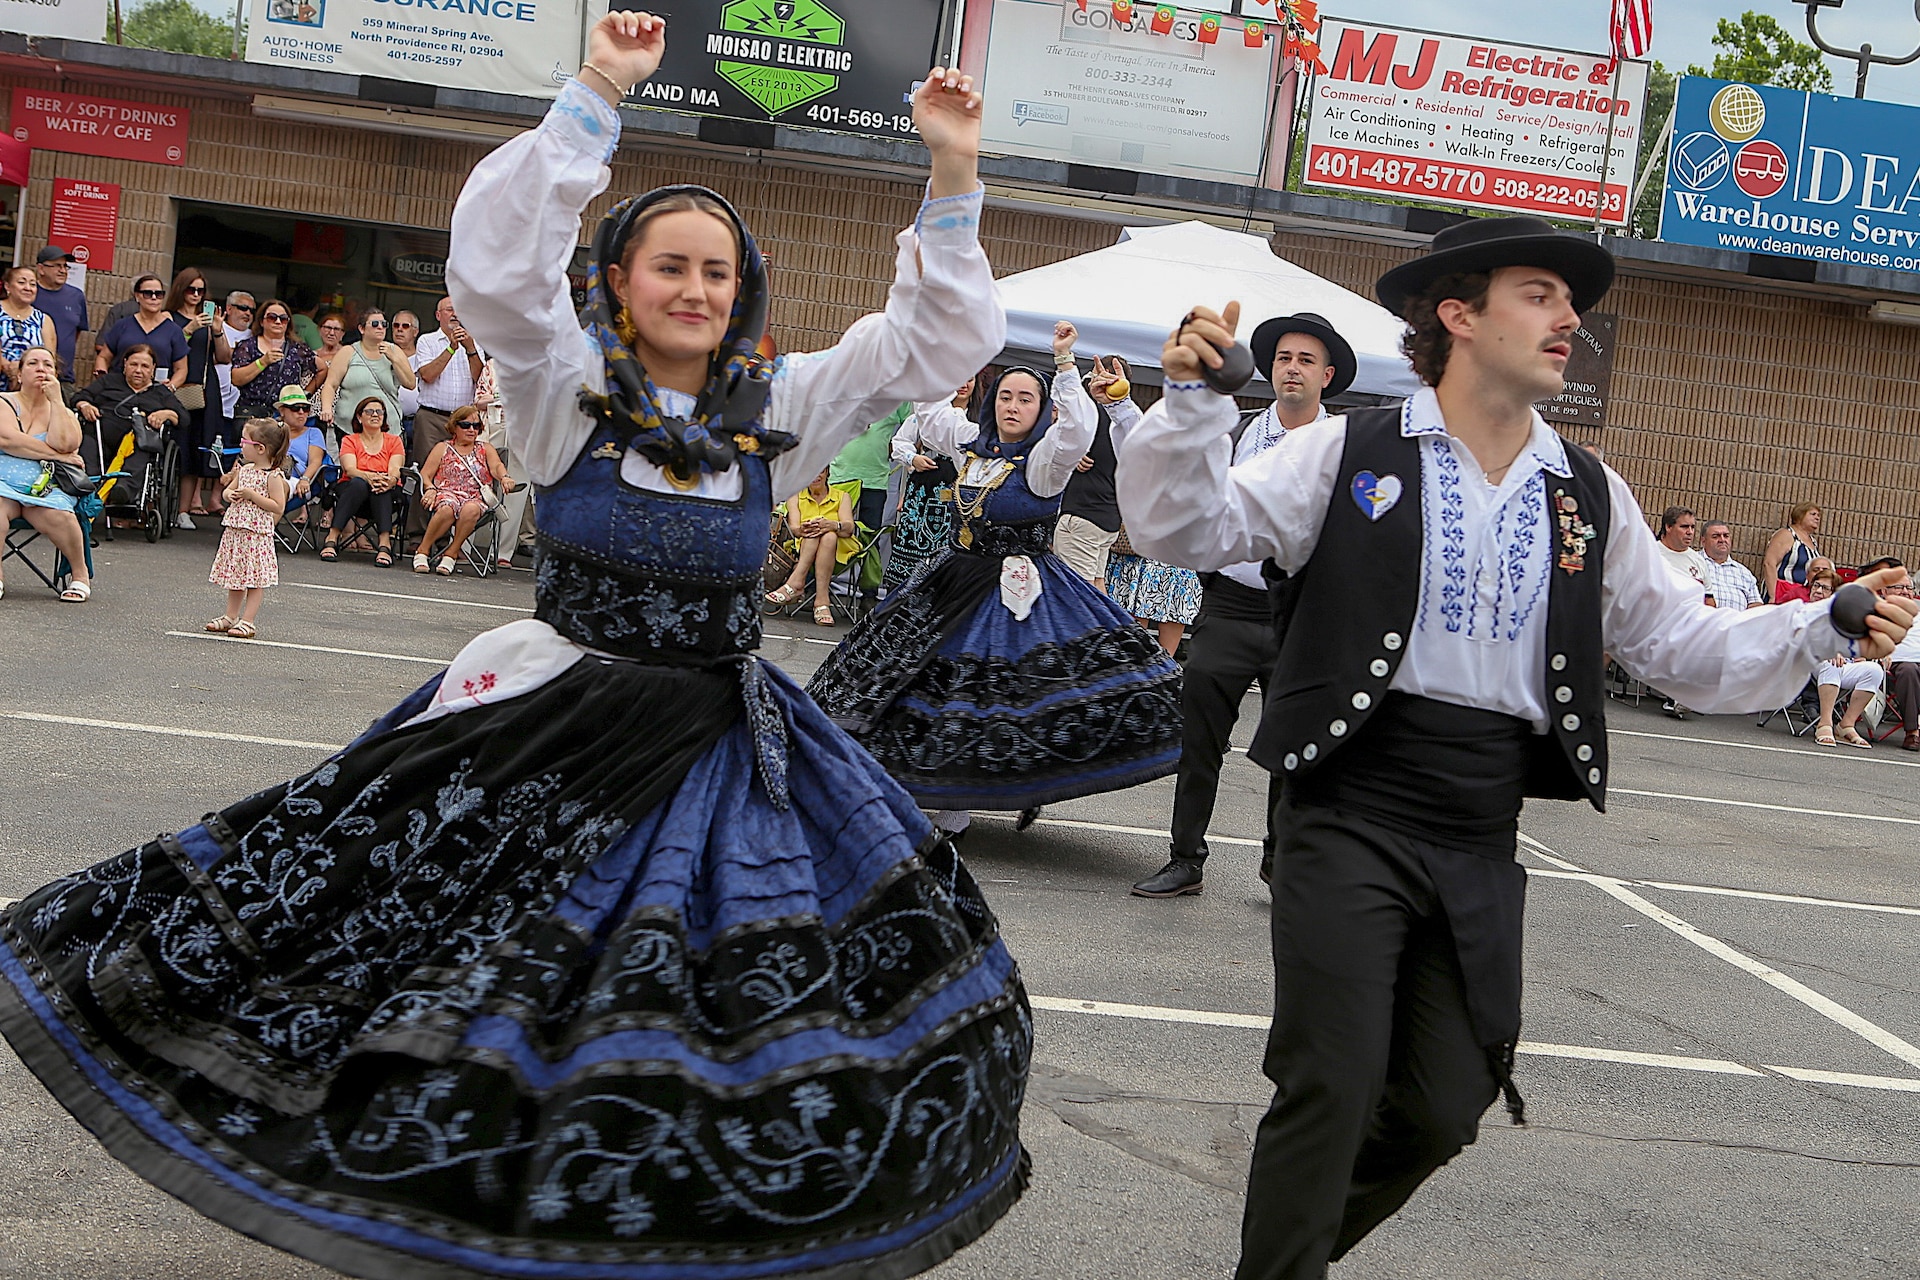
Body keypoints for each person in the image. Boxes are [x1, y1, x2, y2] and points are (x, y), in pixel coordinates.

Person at [0, 19, 1028, 1279]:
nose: (697, 290)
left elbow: (932, 347)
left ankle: (649, 1217)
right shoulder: (559, 384)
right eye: (670, 267)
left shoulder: (787, 410)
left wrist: (954, 170)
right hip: (552, 734)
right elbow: (496, 276)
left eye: (718, 271)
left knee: (707, 1004)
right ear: (620, 280)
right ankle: (470, 1210)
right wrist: (595, 93)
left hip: (723, 748)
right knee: (468, 976)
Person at [1113, 215, 1919, 1280]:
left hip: (1480, 825)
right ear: (1459, 312)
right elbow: (1186, 532)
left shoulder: (1587, 491)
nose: (1569, 317)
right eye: (1540, 293)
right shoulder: (1346, 451)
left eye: (1568, 301)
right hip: (1349, 804)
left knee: (1447, 1102)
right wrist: (1193, 403)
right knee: (1334, 1076)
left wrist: (1823, 620)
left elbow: (1681, 645)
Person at [808, 320, 1184, 841]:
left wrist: (1066, 367)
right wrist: (942, 352)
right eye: (1005, 395)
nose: (1012, 405)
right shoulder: (972, 445)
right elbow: (932, 415)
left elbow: (1076, 432)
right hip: (951, 577)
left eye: (1026, 399)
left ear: (1041, 409)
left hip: (1017, 591)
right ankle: (916, 785)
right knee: (913, 675)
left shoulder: (1045, 463)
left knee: (991, 689)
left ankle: (961, 803)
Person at [1132, 311, 1357, 900]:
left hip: (1300, 614)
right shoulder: (1236, 432)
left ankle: (1281, 864)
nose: (1292, 369)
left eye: (1306, 360)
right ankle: (1185, 859)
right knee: (1200, 741)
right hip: (1229, 607)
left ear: (1327, 377)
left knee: (1296, 750)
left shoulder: (1345, 450)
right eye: (1284, 358)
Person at [0, 346, 92, 601]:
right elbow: (8, 440)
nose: (41, 368)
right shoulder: (3, 402)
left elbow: (68, 444)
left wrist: (58, 401)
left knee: (60, 516)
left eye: (48, 365)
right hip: (2, 481)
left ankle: (80, 575)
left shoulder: (59, 409)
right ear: (19, 374)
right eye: (33, 363)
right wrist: (58, 456)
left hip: (43, 484)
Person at [1052, 356, 1137, 592]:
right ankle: (1108, 630)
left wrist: (1071, 454)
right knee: (1097, 586)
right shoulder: (1124, 423)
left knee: (1079, 593)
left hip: (1082, 515)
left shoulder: (1091, 418)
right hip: (1108, 518)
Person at [881, 376, 971, 594]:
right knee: (912, 545)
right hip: (922, 490)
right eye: (960, 378)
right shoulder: (924, 417)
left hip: (958, 493)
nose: (964, 384)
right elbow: (899, 443)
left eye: (971, 379)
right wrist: (913, 458)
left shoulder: (978, 420)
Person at [204, 417, 289, 639]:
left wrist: (253, 496)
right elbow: (227, 491)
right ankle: (230, 615)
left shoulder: (272, 476)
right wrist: (229, 494)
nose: (241, 445)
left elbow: (278, 505)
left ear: (260, 449)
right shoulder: (244, 470)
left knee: (254, 579)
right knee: (236, 576)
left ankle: (248, 620)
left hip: (256, 535)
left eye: (244, 442)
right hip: (237, 531)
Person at [73, 345, 184, 508]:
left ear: (153, 369)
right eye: (133, 364)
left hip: (138, 442)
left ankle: (122, 490)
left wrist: (166, 413)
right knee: (88, 448)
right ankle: (88, 489)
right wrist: (84, 405)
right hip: (100, 435)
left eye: (145, 366)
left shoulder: (160, 392)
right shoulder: (109, 381)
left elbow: (183, 418)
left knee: (144, 452)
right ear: (125, 364)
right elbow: (80, 397)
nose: (138, 370)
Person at [415, 404, 514, 575]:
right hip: (447, 493)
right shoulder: (443, 447)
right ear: (454, 427)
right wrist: (430, 489)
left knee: (471, 509)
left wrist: (504, 477)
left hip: (475, 496)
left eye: (476, 426)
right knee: (447, 508)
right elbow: (425, 473)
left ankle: (452, 553)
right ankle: (423, 550)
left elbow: (496, 466)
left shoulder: (485, 449)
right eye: (466, 425)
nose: (472, 430)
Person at [825, 401, 907, 607]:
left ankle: (869, 593)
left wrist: (896, 446)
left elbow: (913, 428)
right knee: (826, 532)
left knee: (871, 537)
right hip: (839, 475)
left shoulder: (897, 394)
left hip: (875, 479)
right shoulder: (849, 387)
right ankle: (816, 588)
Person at [165, 267, 228, 529]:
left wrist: (217, 330)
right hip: (177, 384)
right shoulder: (169, 317)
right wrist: (189, 329)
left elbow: (224, 357)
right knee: (174, 444)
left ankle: (184, 509)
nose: (195, 295)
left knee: (195, 447)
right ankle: (162, 505)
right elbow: (165, 347)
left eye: (200, 290)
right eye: (191, 289)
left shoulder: (208, 318)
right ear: (181, 289)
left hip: (203, 386)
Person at [765, 467, 860, 623]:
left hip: (840, 546)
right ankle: (822, 602)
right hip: (805, 544)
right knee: (814, 534)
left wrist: (832, 525)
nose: (816, 476)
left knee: (829, 536)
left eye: (821, 472)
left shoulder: (842, 496)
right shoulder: (795, 496)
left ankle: (795, 583)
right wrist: (803, 529)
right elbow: (794, 528)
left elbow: (849, 528)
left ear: (827, 473)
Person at [323, 395, 404, 565]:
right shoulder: (349, 440)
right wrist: (371, 477)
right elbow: (350, 469)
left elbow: (395, 469)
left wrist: (389, 480)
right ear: (359, 417)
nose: (375, 415)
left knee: (382, 489)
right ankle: (332, 537)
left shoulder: (394, 441)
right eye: (369, 411)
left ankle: (384, 545)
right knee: (359, 483)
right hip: (353, 490)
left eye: (379, 412)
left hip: (384, 490)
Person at [409, 294, 483, 475]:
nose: (455, 314)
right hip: (432, 420)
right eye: (450, 309)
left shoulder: (474, 342)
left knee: (461, 474)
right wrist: (451, 348)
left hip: (464, 422)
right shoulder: (427, 340)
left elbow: (479, 378)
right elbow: (427, 375)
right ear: (438, 315)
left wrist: (471, 349)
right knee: (426, 473)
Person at [318, 306, 415, 439]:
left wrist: (394, 358)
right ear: (362, 329)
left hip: (387, 429)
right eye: (375, 324)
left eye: (384, 324)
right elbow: (331, 384)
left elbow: (411, 384)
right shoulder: (348, 352)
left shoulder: (395, 351)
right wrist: (327, 408)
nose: (380, 327)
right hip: (350, 427)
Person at [230, 298, 321, 420]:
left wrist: (304, 395)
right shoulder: (248, 346)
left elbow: (322, 370)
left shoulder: (298, 348)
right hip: (251, 414)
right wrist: (263, 362)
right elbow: (236, 379)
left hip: (284, 415)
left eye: (283, 319)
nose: (278, 322)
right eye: (272, 317)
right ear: (262, 321)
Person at [1105, 540, 1202, 653]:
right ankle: (1164, 666)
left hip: (1148, 553)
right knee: (1170, 616)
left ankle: (1143, 664)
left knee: (1132, 637)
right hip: (1173, 553)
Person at [94, 274, 189, 388]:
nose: (154, 298)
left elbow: (181, 369)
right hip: (118, 390)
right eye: (148, 294)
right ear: (137, 296)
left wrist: (171, 387)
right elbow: (103, 357)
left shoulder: (174, 330)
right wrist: (103, 379)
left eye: (159, 294)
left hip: (156, 393)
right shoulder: (122, 325)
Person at [31, 246, 88, 383]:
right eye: (57, 266)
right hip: (31, 376)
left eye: (65, 266)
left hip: (63, 377)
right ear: (41, 269)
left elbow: (76, 332)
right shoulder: (30, 294)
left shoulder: (76, 296)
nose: (62, 270)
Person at [277, 385, 332, 527]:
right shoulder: (272, 429)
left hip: (296, 481)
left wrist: (305, 479)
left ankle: (264, 532)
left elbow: (316, 461)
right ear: (282, 410)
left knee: (276, 484)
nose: (301, 413)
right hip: (266, 476)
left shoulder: (313, 433)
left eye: (305, 409)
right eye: (295, 408)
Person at [0, 263, 54, 390]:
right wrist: (6, 366)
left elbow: (50, 359)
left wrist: (23, 370)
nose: (28, 288)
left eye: (33, 284)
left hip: (29, 390)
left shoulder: (44, 320)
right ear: (7, 286)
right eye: (21, 282)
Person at [1762, 501, 1822, 601]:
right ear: (1800, 515)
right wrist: (1773, 595)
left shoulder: (1813, 541)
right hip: (1782, 594)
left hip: (1801, 597)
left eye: (1818, 515)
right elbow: (1769, 563)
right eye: (1813, 514)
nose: (1817, 518)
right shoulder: (1786, 535)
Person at [1699, 519, 1764, 610]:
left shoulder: (1743, 572)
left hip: (1736, 623)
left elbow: (1756, 604)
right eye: (1715, 536)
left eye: (1726, 536)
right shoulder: (1693, 562)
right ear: (1703, 541)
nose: (1722, 540)